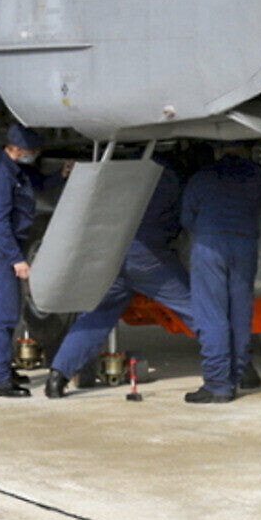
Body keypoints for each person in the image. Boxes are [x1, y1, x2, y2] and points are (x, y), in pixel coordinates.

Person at [43, 155, 199, 399]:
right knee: (195, 309)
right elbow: (186, 217)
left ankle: (57, 377)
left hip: (113, 255)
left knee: (95, 318)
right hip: (149, 259)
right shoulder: (170, 178)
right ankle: (236, 365)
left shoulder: (129, 177)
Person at [180, 143, 261, 402]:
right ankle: (238, 376)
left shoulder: (202, 177)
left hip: (209, 245)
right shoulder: (257, 173)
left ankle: (217, 385)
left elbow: (186, 219)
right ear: (246, 151)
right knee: (240, 314)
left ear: (217, 152)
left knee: (212, 315)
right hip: (245, 245)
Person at [0, 124, 51, 398]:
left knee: (11, 311)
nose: (33, 155)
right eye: (31, 152)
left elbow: (37, 186)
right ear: (18, 150)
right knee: (5, 316)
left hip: (11, 245)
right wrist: (16, 260)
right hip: (3, 250)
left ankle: (5, 370)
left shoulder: (15, 170)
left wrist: (61, 174)